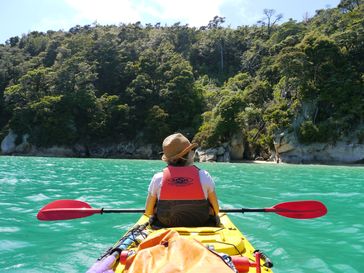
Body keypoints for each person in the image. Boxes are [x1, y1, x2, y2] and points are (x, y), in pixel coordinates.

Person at [144, 133, 220, 227]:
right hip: (200, 222)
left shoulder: (158, 178)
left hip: (165, 224)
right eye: (192, 150)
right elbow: (216, 210)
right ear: (188, 155)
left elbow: (148, 211)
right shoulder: (204, 176)